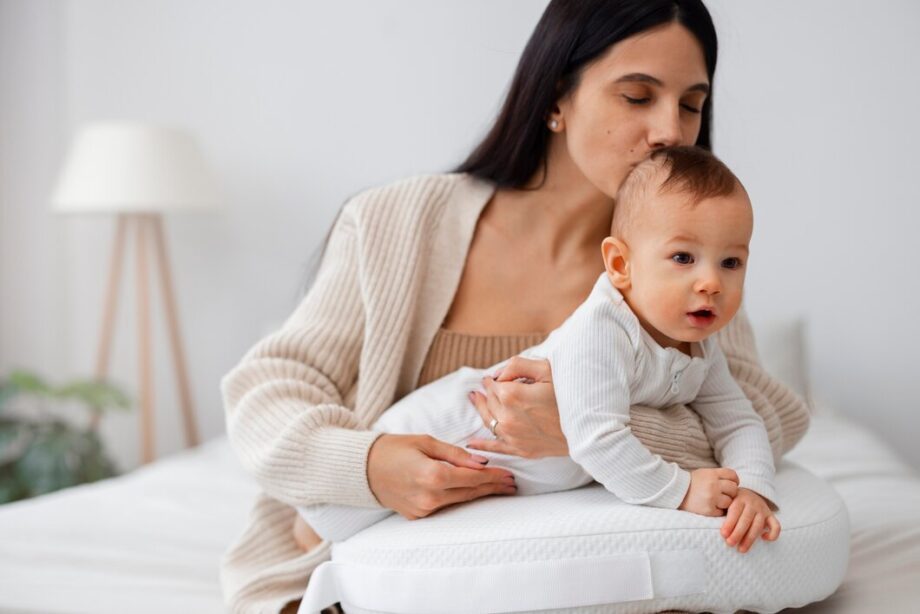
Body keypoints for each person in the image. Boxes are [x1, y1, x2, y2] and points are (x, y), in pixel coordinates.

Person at [220, 1, 810, 612]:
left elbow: (765, 413)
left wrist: (588, 433)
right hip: (375, 575)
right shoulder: (395, 223)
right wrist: (368, 466)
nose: (670, 130)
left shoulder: (685, 262)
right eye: (637, 96)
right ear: (557, 97)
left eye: (691, 104)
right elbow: (267, 390)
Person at [297, 146, 782, 551]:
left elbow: (737, 420)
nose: (711, 282)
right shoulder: (603, 328)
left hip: (501, 469)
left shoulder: (701, 345)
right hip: (452, 422)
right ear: (620, 264)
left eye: (731, 262)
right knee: (322, 529)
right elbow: (596, 439)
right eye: (683, 257)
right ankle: (307, 523)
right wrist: (682, 491)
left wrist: (754, 488)